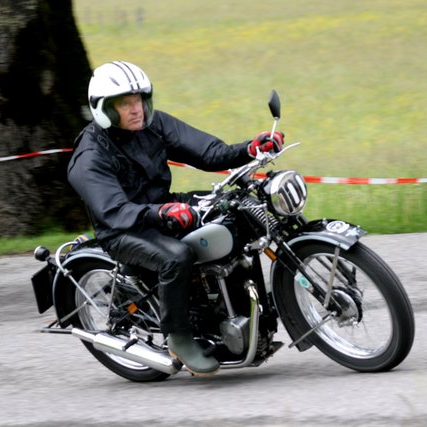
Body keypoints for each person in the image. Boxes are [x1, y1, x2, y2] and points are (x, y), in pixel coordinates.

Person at [67, 61, 284, 376]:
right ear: (104, 109)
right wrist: (160, 212)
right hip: (123, 228)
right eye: (125, 104)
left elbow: (208, 153)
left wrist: (249, 148)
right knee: (176, 257)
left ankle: (233, 304)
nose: (136, 109)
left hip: (163, 206)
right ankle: (178, 337)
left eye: (139, 100)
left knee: (234, 209)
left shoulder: (154, 125)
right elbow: (113, 210)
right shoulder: (90, 155)